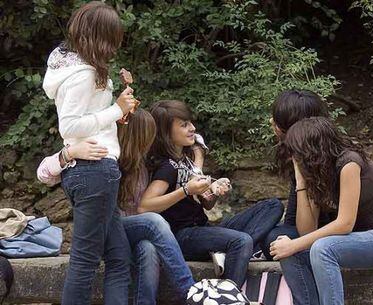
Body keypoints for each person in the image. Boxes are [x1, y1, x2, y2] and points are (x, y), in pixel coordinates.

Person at [37, 109, 199, 305]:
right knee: (153, 222)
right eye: (149, 134)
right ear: (139, 136)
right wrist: (69, 153)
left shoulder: (146, 164)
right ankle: (190, 292)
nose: (153, 140)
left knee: (147, 249)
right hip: (104, 227)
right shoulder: (105, 155)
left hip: (123, 233)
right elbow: (44, 173)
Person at [42, 2, 135, 304]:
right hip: (94, 171)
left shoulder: (76, 67)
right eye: (113, 36)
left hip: (92, 171)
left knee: (120, 258)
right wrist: (115, 110)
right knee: (84, 262)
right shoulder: (83, 73)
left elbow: (89, 116)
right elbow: (70, 126)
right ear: (100, 36)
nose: (115, 45)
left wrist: (116, 112)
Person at [140, 100, 285, 287]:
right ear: (166, 133)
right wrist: (186, 190)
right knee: (241, 241)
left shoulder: (185, 161)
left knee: (273, 205)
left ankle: (225, 252)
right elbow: (144, 206)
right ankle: (228, 295)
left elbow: (206, 204)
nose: (192, 128)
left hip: (202, 228)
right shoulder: (167, 167)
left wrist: (215, 191)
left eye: (191, 123)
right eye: (184, 125)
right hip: (182, 236)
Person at [269, 116, 373, 305]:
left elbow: (345, 224)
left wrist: (294, 244)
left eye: (298, 152)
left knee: (321, 248)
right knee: (288, 252)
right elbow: (307, 231)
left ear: (312, 150)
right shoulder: (318, 172)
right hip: (352, 243)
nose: (294, 157)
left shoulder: (349, 163)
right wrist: (301, 182)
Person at [261, 90, 333, 260]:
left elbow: (308, 230)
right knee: (271, 218)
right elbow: (291, 220)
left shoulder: (317, 159)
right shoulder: (299, 151)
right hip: (306, 230)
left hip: (325, 235)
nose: (271, 121)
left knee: (271, 239)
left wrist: (301, 179)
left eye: (277, 120)